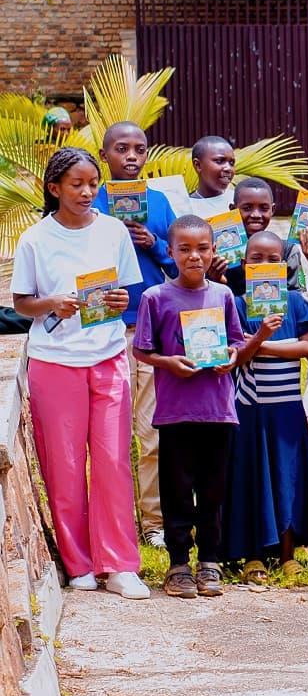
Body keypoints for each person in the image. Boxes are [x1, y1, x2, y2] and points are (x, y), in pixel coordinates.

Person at [13, 147, 149, 599]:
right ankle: (79, 565)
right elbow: (21, 303)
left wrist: (118, 303)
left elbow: (127, 294)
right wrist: (52, 303)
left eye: (93, 183)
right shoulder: (35, 239)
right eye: (77, 184)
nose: (88, 192)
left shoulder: (113, 231)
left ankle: (120, 564)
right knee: (65, 465)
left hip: (107, 355)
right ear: (55, 189)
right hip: (54, 362)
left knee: (111, 460)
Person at [133, 214, 247, 599]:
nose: (194, 256)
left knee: (213, 490)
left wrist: (230, 358)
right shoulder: (156, 298)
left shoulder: (223, 296)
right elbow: (142, 349)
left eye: (202, 248)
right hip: (176, 411)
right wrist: (170, 363)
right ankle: (178, 563)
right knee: (177, 490)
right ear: (171, 252)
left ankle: (209, 561)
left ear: (214, 251)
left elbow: (235, 343)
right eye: (184, 249)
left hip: (217, 409)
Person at [92, 121, 177, 551]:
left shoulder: (159, 203)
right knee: (107, 435)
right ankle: (111, 518)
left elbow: (183, 268)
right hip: (104, 332)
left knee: (151, 431)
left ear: (147, 156)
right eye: (121, 148)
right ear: (104, 155)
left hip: (151, 333)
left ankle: (154, 521)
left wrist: (154, 243)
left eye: (139, 149)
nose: (131, 156)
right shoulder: (91, 203)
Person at [224, 231, 308, 585]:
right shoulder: (235, 304)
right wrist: (261, 337)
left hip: (286, 410)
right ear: (244, 264)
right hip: (248, 409)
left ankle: (287, 554)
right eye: (256, 259)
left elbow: (307, 348)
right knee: (252, 479)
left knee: (287, 479)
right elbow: (235, 357)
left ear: (283, 265)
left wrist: (262, 346)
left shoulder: (295, 303)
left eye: (272, 260)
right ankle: (253, 555)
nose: (264, 266)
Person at [222, 178, 306, 294]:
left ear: (273, 210)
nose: (256, 215)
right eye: (247, 208)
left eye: (264, 208)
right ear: (233, 210)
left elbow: (297, 297)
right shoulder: (222, 252)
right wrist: (214, 276)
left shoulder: (288, 251)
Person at [186, 135, 237, 219]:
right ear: (198, 165)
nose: (228, 168)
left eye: (231, 163)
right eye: (220, 161)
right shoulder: (184, 208)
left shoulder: (238, 200)